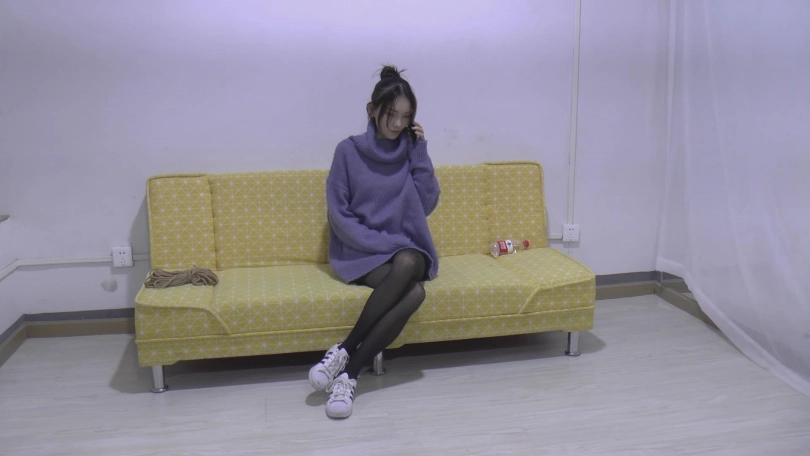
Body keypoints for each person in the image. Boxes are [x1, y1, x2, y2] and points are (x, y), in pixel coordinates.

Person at [309, 65, 441, 419]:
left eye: (406, 117)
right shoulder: (348, 151)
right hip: (361, 252)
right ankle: (350, 371)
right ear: (372, 110)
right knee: (413, 289)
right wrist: (384, 244)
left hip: (405, 252)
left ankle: (344, 355)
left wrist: (421, 153)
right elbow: (340, 215)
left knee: (410, 264)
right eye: (391, 114)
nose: (397, 124)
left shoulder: (410, 151)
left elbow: (427, 204)